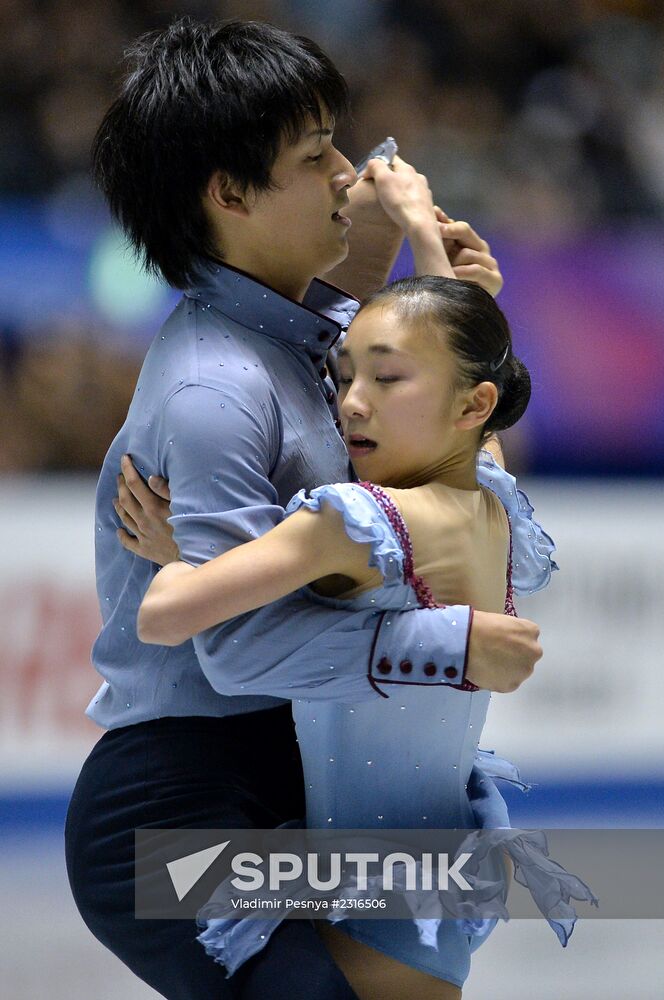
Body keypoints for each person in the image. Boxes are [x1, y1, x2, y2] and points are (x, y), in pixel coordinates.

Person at [65, 17, 543, 1000]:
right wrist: (440, 643)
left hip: (303, 767)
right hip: (179, 799)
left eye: (337, 141)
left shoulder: (328, 332)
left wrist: (449, 301)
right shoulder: (215, 392)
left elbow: (482, 515)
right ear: (229, 193)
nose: (345, 170)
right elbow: (231, 647)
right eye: (313, 152)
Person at [135, 273, 561, 999]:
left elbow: (164, 617)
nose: (351, 401)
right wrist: (435, 254)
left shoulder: (357, 521)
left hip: (363, 899)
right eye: (345, 373)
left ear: (473, 403)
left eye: (387, 377)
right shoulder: (495, 502)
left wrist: (183, 557)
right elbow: (480, 425)